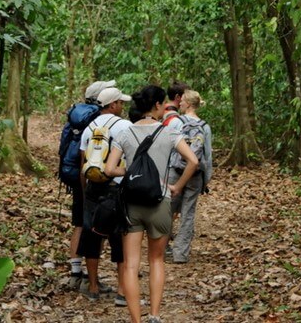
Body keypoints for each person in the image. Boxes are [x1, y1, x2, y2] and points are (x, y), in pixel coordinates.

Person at [105, 85, 199, 323]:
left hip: (131, 204)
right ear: (158, 105)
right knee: (156, 260)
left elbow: (108, 169)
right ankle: (155, 316)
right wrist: (176, 187)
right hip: (160, 202)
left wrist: (131, 172)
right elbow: (193, 161)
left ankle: (136, 320)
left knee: (130, 265)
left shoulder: (125, 133)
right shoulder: (168, 133)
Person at [77, 86, 133, 305]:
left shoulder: (88, 127)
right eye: (120, 103)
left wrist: (85, 192)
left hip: (93, 187)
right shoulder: (125, 126)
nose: (123, 106)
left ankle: (92, 287)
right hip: (116, 186)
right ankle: (121, 291)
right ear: (113, 105)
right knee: (119, 236)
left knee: (92, 235)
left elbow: (83, 162)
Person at [66, 79, 116, 290]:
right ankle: (91, 277)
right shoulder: (99, 120)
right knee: (96, 227)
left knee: (80, 223)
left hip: (79, 175)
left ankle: (76, 271)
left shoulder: (76, 116)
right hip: (96, 180)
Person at [168, 90, 213, 264]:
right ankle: (181, 254)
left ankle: (162, 248)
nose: (179, 104)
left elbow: (168, 148)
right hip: (195, 175)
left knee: (167, 211)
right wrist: (205, 179)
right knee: (188, 213)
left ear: (187, 103)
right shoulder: (205, 126)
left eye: (182, 102)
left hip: (175, 171)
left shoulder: (175, 123)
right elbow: (207, 156)